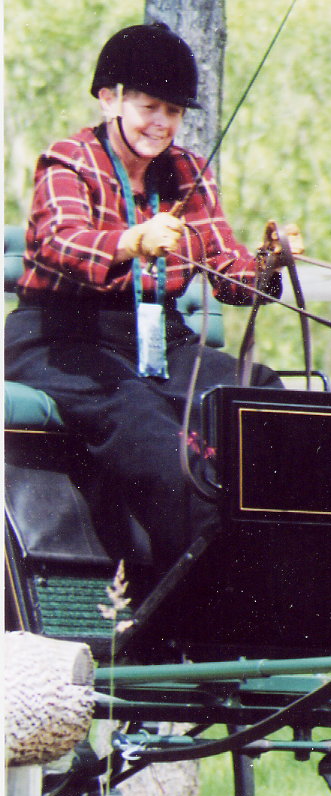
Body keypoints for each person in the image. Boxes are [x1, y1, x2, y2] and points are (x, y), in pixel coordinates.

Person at [5, 21, 304, 569]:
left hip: (158, 339)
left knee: (259, 393)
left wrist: (268, 262)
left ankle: (279, 562)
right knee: (146, 426)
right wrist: (129, 241)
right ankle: (200, 587)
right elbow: (58, 245)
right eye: (148, 107)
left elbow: (227, 274)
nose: (161, 124)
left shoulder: (189, 171)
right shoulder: (68, 161)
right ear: (109, 99)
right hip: (64, 339)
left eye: (172, 111)